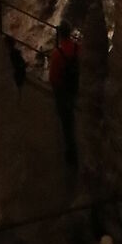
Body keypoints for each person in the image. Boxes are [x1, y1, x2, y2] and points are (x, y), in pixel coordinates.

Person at [48, 23, 82, 168]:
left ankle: (71, 152)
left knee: (66, 121)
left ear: (60, 35)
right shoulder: (78, 48)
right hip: (75, 86)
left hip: (63, 90)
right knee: (72, 114)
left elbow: (53, 78)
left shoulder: (57, 54)